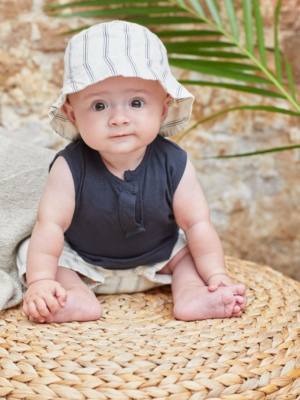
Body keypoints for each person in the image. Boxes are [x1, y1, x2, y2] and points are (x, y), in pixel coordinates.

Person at [17, 21, 246, 324]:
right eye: (99, 105)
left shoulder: (174, 162)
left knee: (190, 254)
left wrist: (217, 275)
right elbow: (51, 226)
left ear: (163, 109)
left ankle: (191, 294)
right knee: (32, 249)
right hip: (84, 263)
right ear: (73, 114)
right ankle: (73, 296)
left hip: (160, 259)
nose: (119, 119)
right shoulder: (69, 166)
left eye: (136, 102)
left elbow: (197, 224)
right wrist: (41, 281)